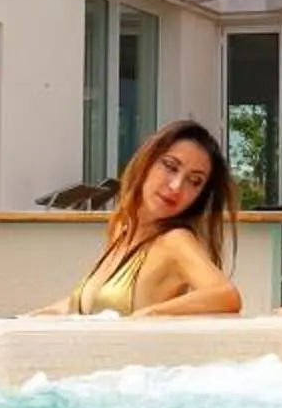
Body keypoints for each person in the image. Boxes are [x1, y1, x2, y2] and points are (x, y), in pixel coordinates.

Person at [29, 120, 243, 317]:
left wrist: (152, 314)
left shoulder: (175, 240)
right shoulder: (121, 230)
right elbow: (92, 302)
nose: (176, 186)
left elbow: (226, 295)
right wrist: (32, 318)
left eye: (194, 181)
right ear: (146, 162)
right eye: (170, 166)